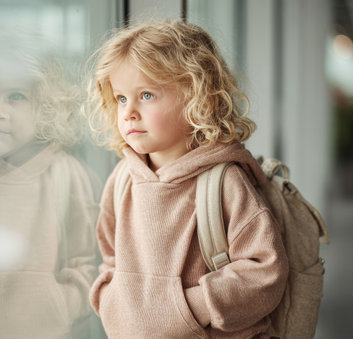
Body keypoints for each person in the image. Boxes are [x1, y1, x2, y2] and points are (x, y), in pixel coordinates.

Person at [87, 20, 289, 338]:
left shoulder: (224, 182)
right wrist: (112, 303)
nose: (128, 112)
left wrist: (189, 307)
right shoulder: (122, 179)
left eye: (147, 95)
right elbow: (110, 259)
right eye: (122, 98)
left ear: (199, 98)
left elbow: (264, 270)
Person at [0, 26, 102, 339]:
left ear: (44, 105)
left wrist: (58, 305)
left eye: (16, 97)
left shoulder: (68, 175)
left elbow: (91, 264)